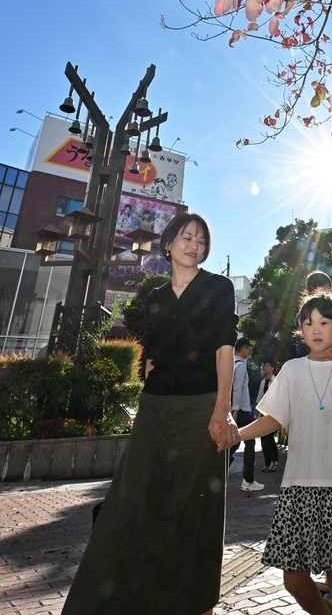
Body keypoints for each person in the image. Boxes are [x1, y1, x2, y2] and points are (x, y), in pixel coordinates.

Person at [62, 212, 240, 615]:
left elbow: (224, 348)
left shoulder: (218, 288)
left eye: (200, 240)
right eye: (186, 237)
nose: (194, 245)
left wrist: (221, 410)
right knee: (130, 500)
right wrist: (149, 365)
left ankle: (195, 604)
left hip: (201, 408)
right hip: (156, 407)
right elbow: (153, 349)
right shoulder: (154, 298)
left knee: (194, 510)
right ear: (169, 243)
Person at [227, 293, 332, 615]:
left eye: (324, 322)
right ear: (301, 329)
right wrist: (237, 436)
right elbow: (272, 419)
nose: (316, 329)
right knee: (294, 580)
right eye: (309, 323)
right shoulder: (292, 370)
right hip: (297, 488)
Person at [230, 337, 264, 491]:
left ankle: (219, 469)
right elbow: (238, 389)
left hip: (236, 409)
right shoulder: (241, 366)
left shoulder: (231, 364)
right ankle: (248, 481)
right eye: (248, 348)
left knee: (235, 442)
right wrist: (236, 410)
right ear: (242, 348)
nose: (249, 351)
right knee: (249, 443)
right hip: (242, 410)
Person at [256, 360, 280, 472]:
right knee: (263, 438)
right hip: (263, 414)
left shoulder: (276, 382)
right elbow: (259, 399)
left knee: (269, 437)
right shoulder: (262, 382)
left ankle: (274, 460)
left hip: (272, 414)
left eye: (267, 365)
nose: (265, 367)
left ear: (272, 368)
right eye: (264, 365)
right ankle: (268, 462)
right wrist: (257, 413)